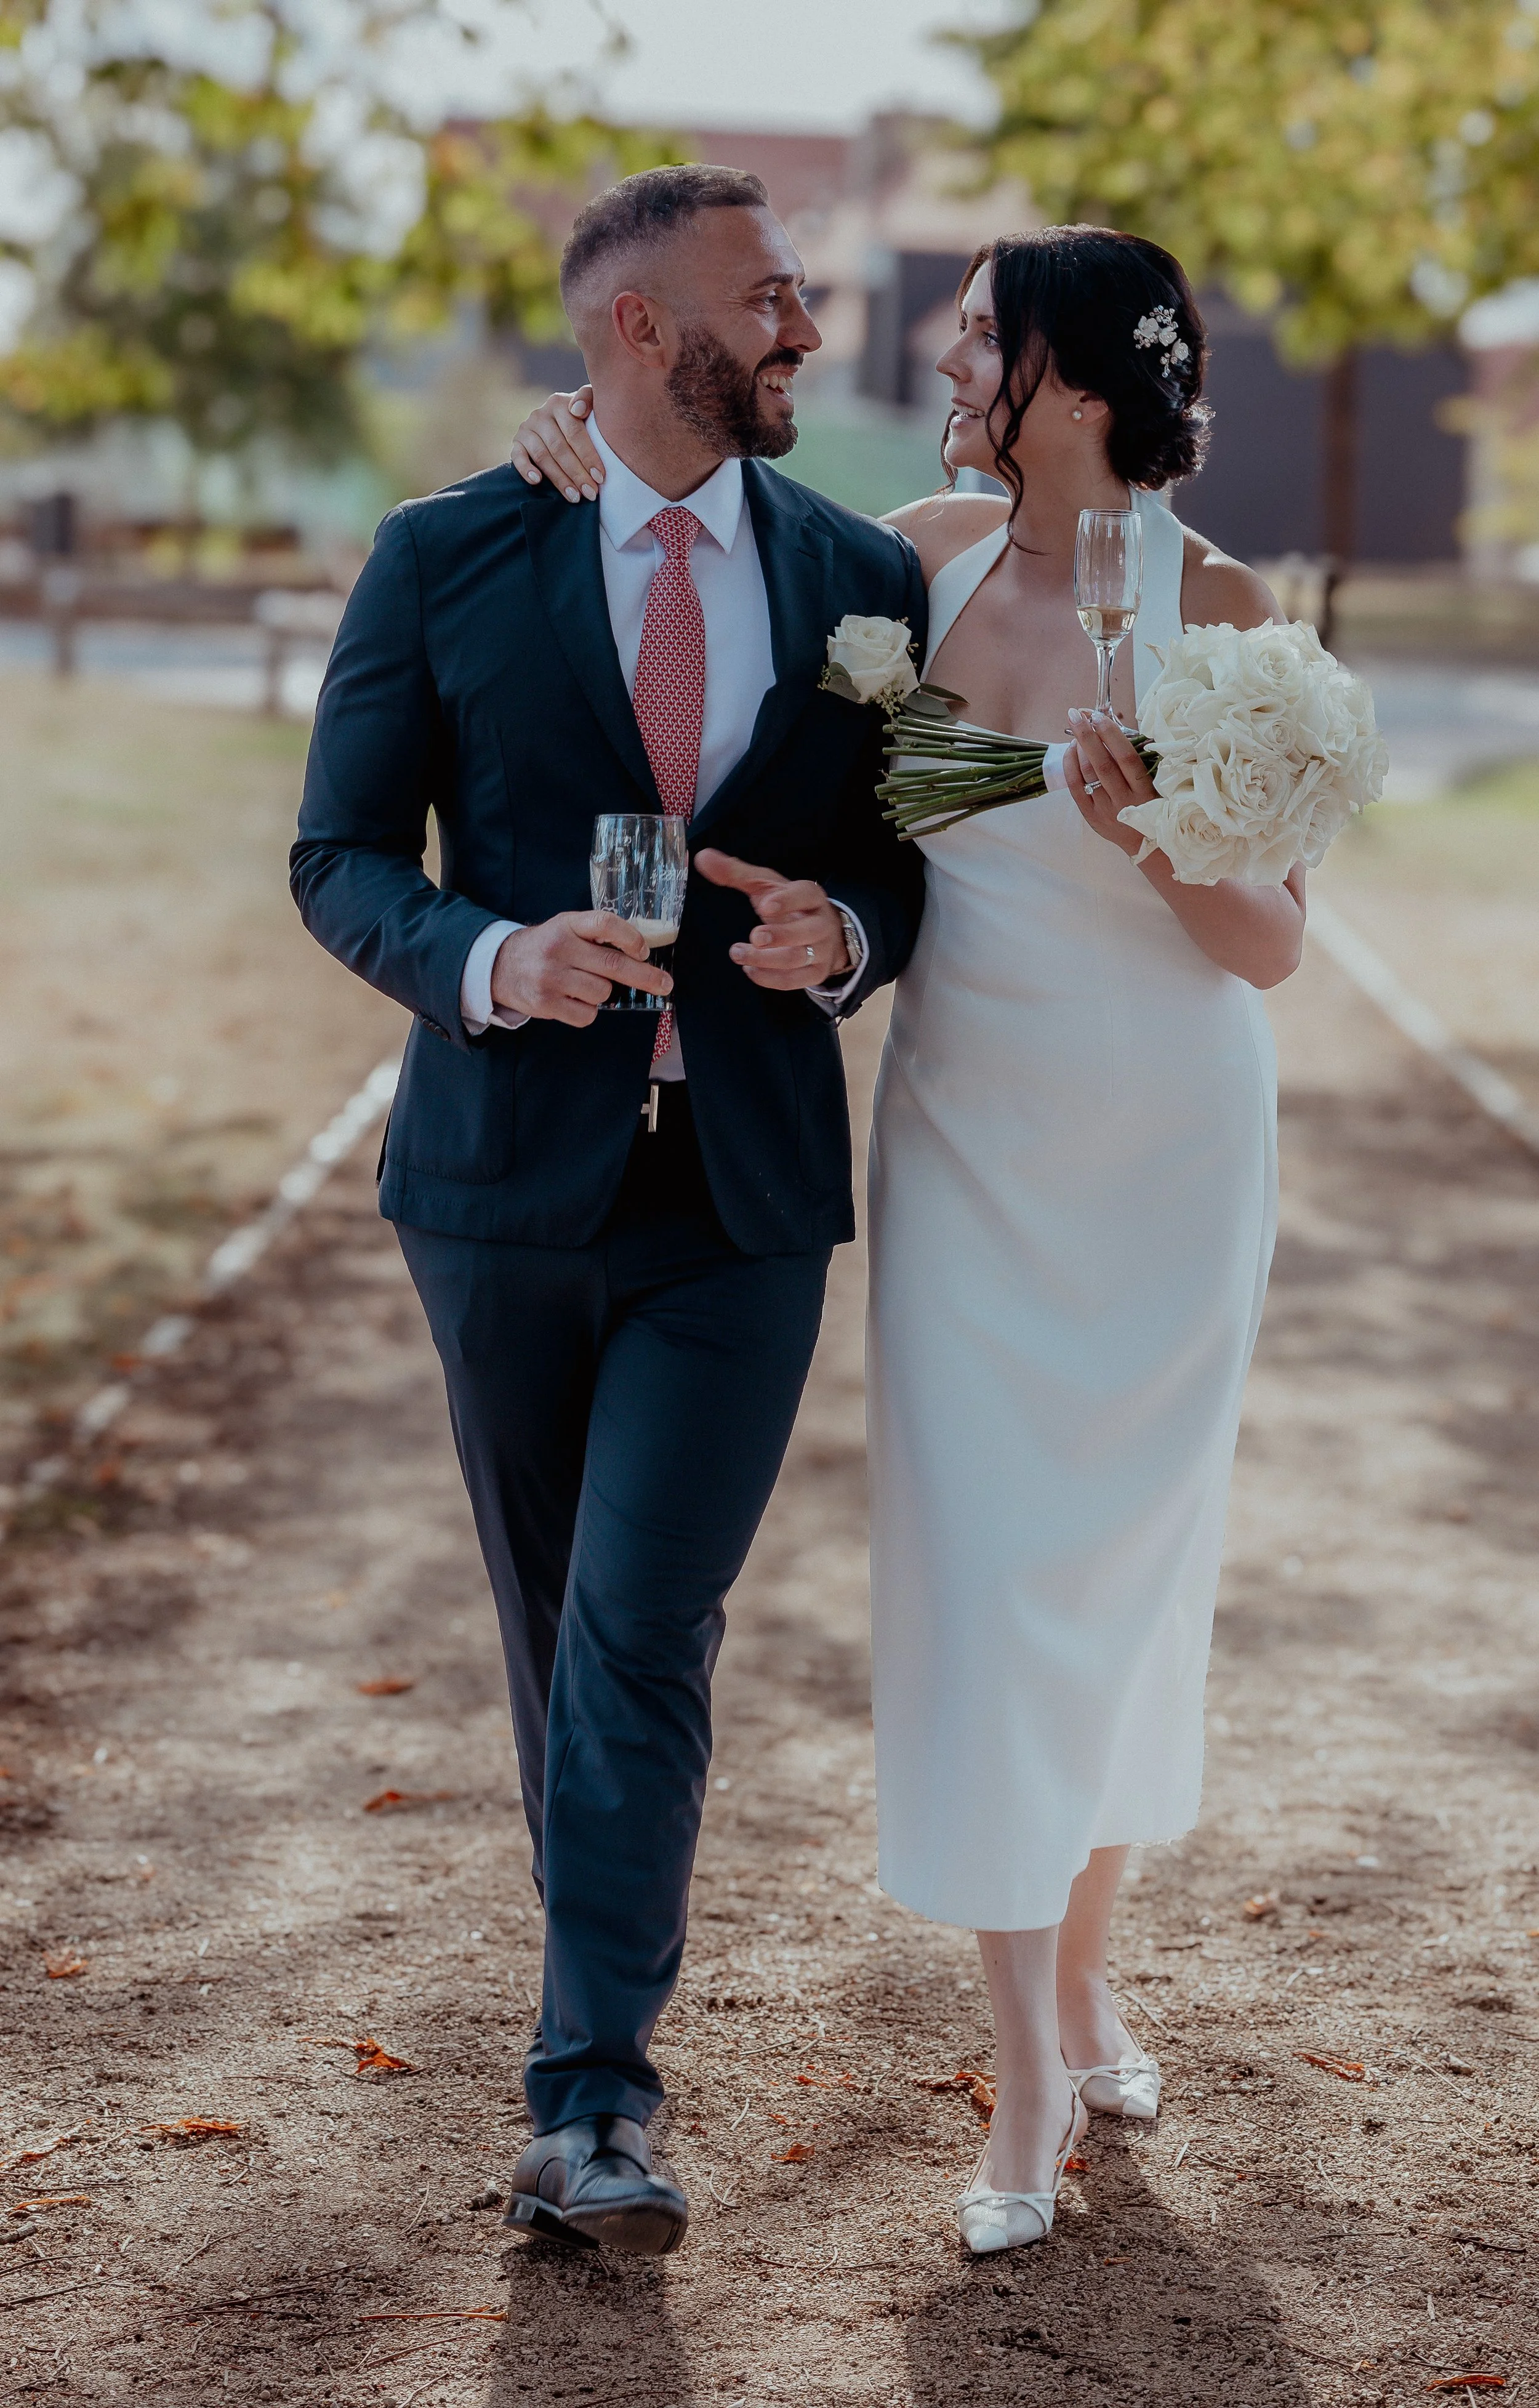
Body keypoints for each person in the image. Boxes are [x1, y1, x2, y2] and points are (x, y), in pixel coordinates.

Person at [510, 223, 1300, 2257]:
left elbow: (1270, 943)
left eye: (973, 340)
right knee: (983, 1581)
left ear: (1072, 377)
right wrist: (570, 439)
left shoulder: (1222, 606)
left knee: (1117, 1587)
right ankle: (1026, 2058)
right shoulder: (911, 565)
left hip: (1166, 1153)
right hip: (966, 1144)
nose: (941, 366)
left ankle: (1083, 1983)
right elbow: (700, 526)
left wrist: (1151, 826)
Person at [291, 163, 926, 2257]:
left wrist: (843, 930)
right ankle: (593, 2052)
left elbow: (912, 858)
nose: (806, 329)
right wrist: (493, 958)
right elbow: (339, 856)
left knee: (643, 1625)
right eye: (772, 296)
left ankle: (592, 2100)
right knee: (559, 1626)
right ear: (641, 328)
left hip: (740, 1202)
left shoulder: (860, 579)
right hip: (499, 1189)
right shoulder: (447, 551)